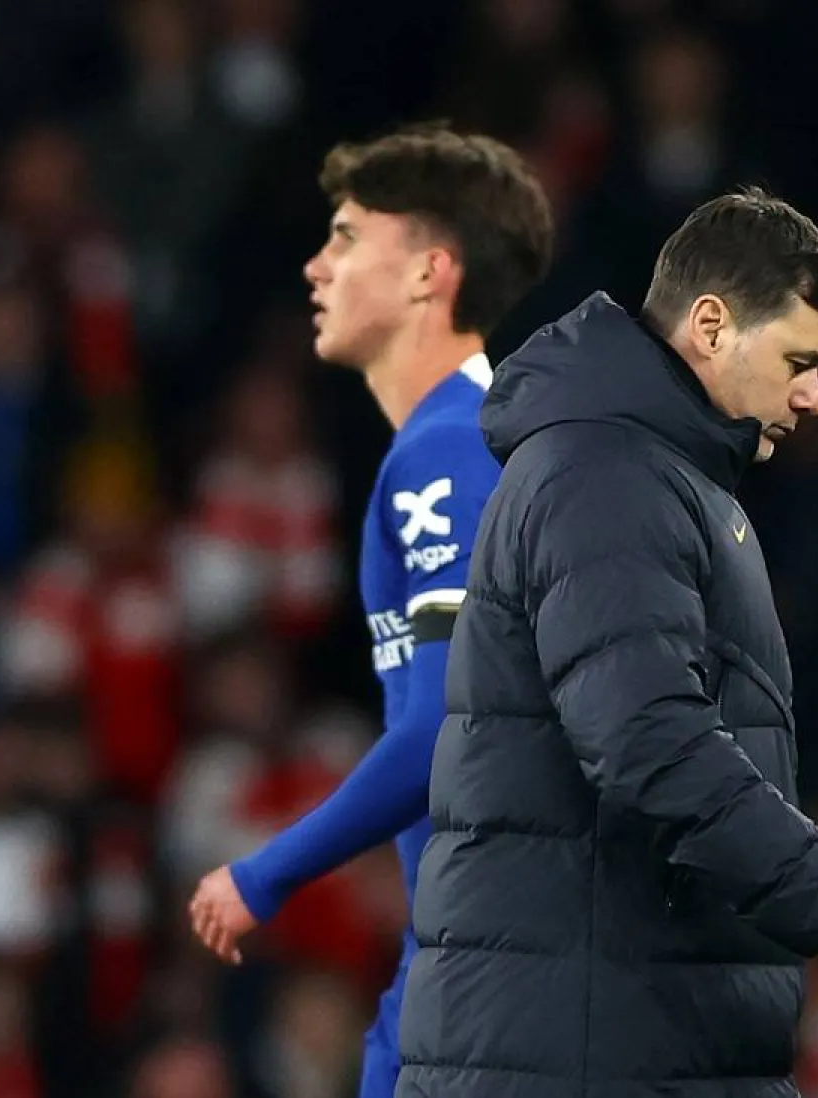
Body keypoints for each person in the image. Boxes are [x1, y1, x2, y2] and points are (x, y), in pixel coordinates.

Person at [398, 186, 818, 1098]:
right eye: (797, 358)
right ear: (710, 324)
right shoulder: (607, 475)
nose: (814, 395)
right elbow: (646, 739)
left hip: (625, 1036)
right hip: (583, 1055)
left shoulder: (655, 476)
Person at [186, 125, 554, 1098]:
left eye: (347, 238)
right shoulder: (464, 442)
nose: (317, 265)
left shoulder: (448, 455)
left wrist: (265, 873)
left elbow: (444, 727)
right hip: (465, 949)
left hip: (490, 965)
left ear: (432, 274)